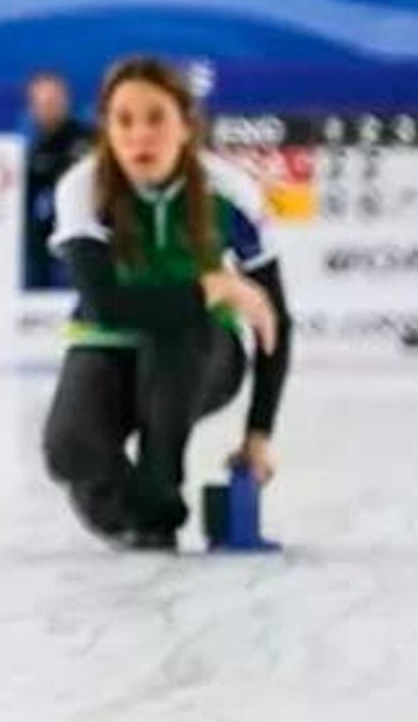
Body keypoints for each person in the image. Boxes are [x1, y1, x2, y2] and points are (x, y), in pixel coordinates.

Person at [42, 57, 291, 551]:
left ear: (185, 125)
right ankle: (154, 509)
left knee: (178, 335)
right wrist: (212, 287)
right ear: (107, 128)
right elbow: (107, 305)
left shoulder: (230, 190)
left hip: (201, 354)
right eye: (124, 120)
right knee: (69, 450)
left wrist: (258, 434)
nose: (140, 136)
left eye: (156, 118)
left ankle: (161, 479)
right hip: (109, 343)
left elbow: (274, 320)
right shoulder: (83, 187)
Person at [22, 72, 93, 290]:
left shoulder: (87, 139)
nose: (47, 108)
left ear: (66, 101)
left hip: (87, 226)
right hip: (47, 228)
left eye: (52, 101)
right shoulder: (31, 146)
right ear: (31, 107)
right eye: (41, 103)